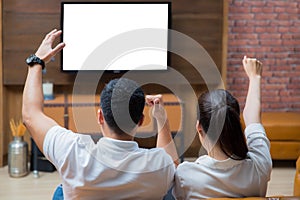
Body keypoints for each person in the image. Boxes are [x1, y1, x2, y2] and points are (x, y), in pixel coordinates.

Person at [22, 29, 178, 199]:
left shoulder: (71, 151)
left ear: (100, 116)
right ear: (140, 120)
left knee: (61, 191)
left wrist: (36, 62)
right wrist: (162, 119)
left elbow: (30, 115)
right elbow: (173, 166)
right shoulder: (159, 165)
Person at [173, 56, 272, 199]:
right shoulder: (260, 166)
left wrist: (162, 123)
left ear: (199, 127)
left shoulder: (185, 175)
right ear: (235, 123)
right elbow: (253, 120)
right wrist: (255, 77)